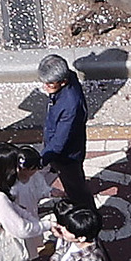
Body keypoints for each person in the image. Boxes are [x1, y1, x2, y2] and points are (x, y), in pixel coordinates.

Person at [38, 53, 90, 206]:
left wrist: (41, 160)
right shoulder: (68, 79)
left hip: (67, 157)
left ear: (63, 82)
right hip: (64, 149)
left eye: (50, 84)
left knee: (76, 188)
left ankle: (86, 212)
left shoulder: (69, 106)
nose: (45, 87)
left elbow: (60, 142)